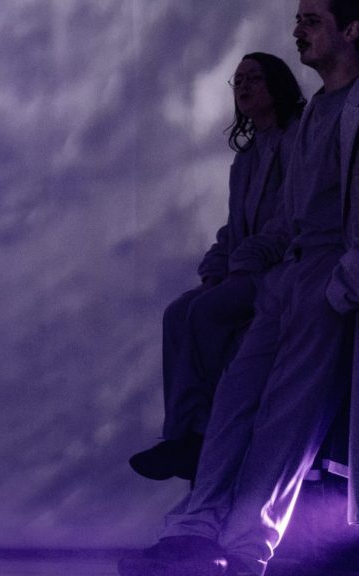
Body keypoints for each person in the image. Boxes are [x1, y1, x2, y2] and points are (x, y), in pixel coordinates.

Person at [121, 1, 359, 574]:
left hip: (329, 276)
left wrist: (344, 282)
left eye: (312, 20)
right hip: (287, 275)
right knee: (232, 404)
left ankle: (245, 548)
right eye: (298, 20)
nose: (297, 30)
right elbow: (287, 216)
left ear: (353, 28)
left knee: (286, 421)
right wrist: (253, 267)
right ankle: (193, 530)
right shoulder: (315, 114)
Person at [129, 52, 305, 482]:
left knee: (205, 312)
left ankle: (203, 430)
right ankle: (181, 437)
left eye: (254, 78)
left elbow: (291, 216)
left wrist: (245, 263)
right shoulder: (245, 160)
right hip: (246, 270)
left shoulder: (299, 139)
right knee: (178, 312)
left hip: (283, 270)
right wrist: (216, 268)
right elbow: (233, 229)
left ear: (276, 83)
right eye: (238, 81)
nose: (243, 87)